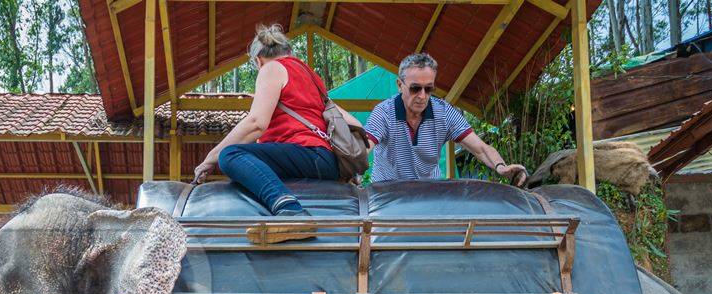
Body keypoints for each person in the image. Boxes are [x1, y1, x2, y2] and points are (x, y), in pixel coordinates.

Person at [192, 24, 361, 217]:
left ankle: (289, 209)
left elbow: (256, 123)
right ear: (288, 52)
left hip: (306, 153)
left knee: (230, 155)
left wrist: (211, 158)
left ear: (258, 61)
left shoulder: (272, 68)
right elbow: (356, 125)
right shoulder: (311, 77)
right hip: (327, 162)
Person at [364, 53, 528, 186]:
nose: (422, 96)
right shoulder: (383, 113)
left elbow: (481, 148)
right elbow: (362, 149)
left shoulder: (444, 113)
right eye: (415, 88)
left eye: (428, 89)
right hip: (387, 195)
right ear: (400, 85)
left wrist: (501, 167)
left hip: (429, 192)